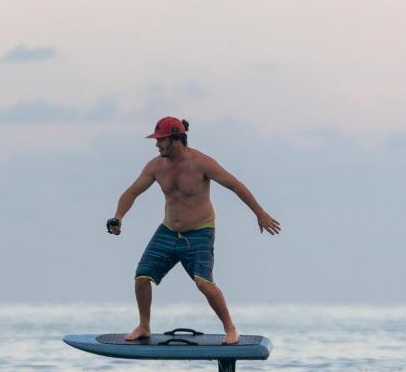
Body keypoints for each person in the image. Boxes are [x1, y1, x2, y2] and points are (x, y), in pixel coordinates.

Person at [107, 117, 281, 345]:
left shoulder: (202, 163)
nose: (157, 145)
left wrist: (260, 213)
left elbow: (235, 185)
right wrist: (119, 216)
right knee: (142, 277)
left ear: (176, 139)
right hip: (168, 231)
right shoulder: (155, 166)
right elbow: (131, 192)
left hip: (199, 232)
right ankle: (144, 326)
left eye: (161, 140)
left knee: (204, 283)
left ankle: (230, 329)